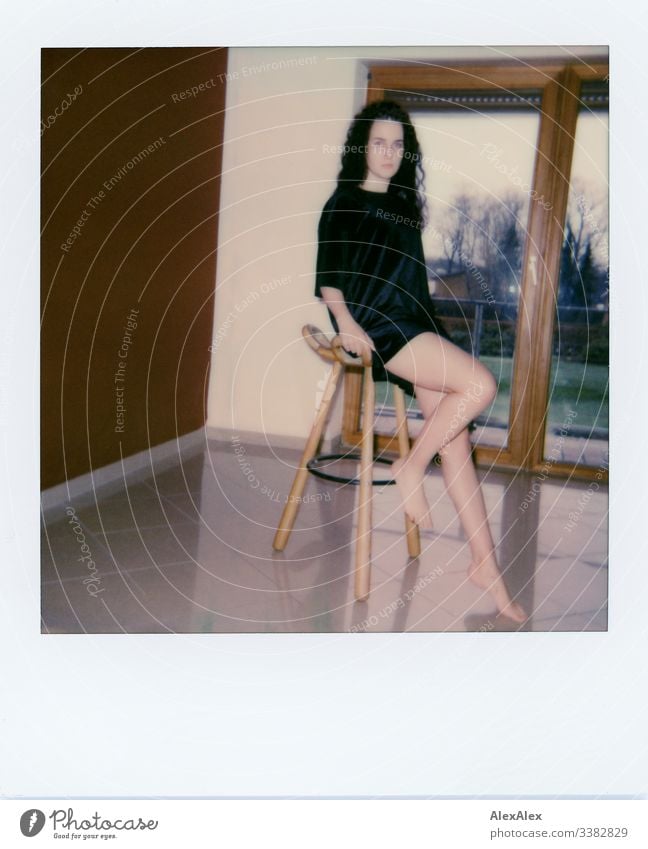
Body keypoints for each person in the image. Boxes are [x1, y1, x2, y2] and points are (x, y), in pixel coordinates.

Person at [315, 99, 526, 623]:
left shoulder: (405, 204)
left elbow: (408, 277)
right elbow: (330, 280)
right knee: (479, 386)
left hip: (417, 322)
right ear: (363, 147)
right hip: (382, 326)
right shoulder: (342, 203)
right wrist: (348, 325)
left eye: (397, 144)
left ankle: (487, 567)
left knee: (457, 446)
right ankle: (409, 465)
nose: (388, 152)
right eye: (379, 142)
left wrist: (432, 321)